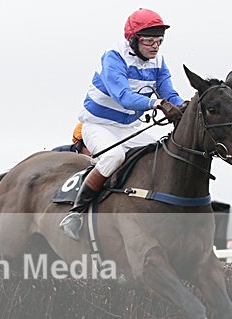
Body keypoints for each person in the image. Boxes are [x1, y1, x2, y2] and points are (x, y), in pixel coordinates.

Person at [60, 8, 186, 240]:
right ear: (133, 39)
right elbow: (124, 96)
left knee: (159, 153)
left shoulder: (158, 61)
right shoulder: (114, 57)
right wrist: (157, 104)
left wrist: (183, 106)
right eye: (149, 40)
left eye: (159, 40)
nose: (155, 46)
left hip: (128, 127)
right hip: (98, 125)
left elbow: (169, 93)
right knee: (114, 157)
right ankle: (75, 214)